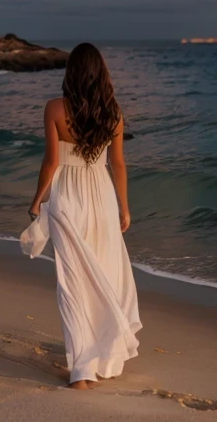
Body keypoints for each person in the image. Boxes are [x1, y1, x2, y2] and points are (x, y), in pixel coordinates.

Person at [21, 43, 142, 390]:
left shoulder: (55, 109)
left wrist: (36, 201)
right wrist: (124, 207)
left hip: (67, 200)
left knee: (72, 284)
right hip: (101, 198)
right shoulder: (114, 113)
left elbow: (51, 163)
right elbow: (117, 164)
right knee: (102, 273)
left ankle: (83, 370)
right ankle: (104, 357)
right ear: (102, 73)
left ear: (71, 73)